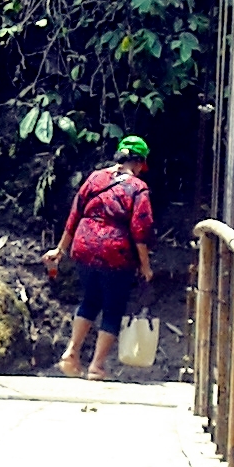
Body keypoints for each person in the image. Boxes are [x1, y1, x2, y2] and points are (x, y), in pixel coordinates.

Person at [46, 137, 155, 380]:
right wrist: (145, 265)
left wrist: (60, 249)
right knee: (113, 307)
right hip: (115, 253)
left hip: (84, 246)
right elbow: (140, 230)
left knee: (90, 299)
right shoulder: (138, 188)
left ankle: (71, 353)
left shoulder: (95, 178)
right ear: (139, 163)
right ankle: (96, 366)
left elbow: (75, 214)